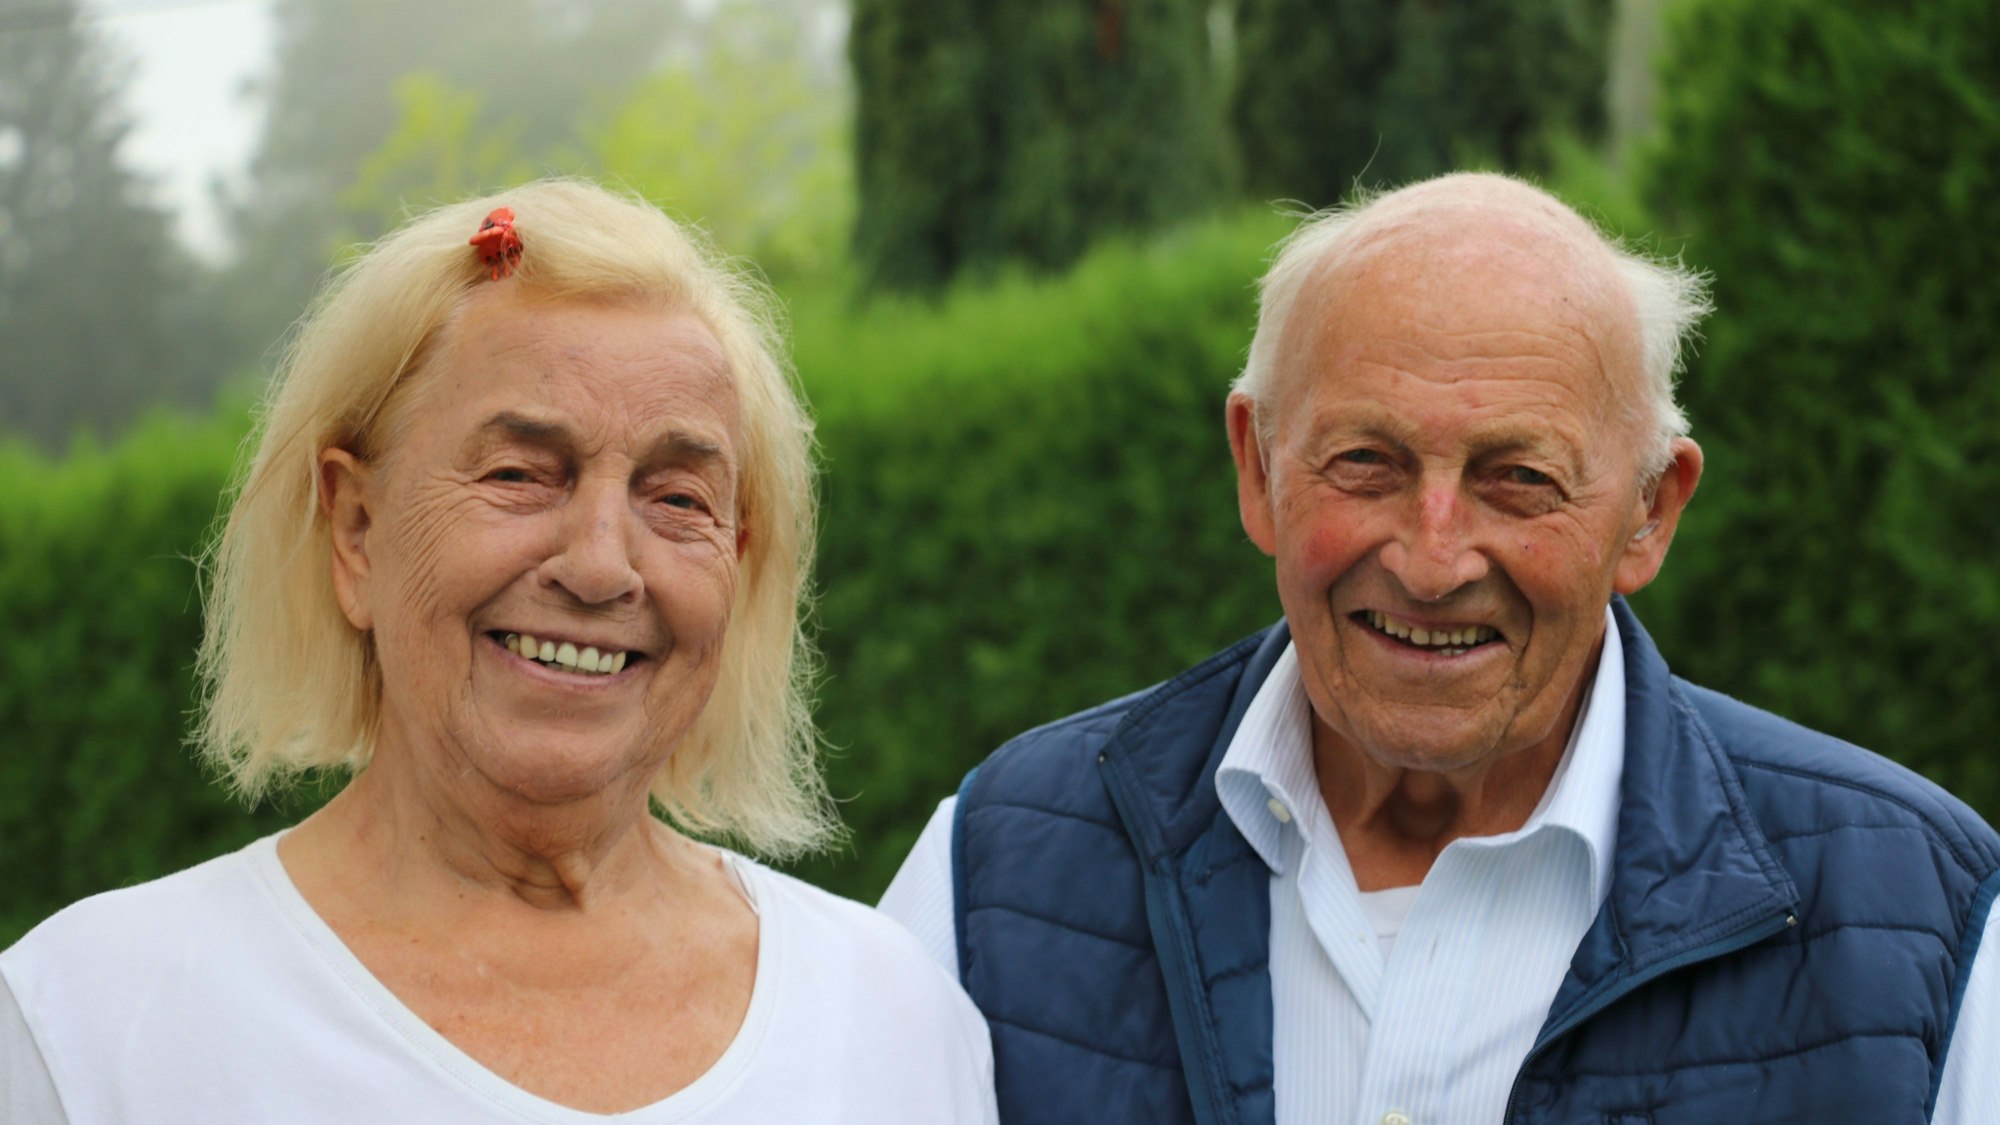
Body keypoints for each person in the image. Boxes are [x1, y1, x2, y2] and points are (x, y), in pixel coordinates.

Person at [880, 172, 2000, 1124]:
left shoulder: (1919, 920)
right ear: (1255, 469)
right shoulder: (991, 871)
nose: (1430, 558)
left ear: (1650, 512)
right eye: (1364, 461)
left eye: (1518, 478)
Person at [2, 179, 997, 1124]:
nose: (603, 565)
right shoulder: (88, 1027)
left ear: (737, 567)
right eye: (522, 472)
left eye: (678, 499)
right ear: (354, 529)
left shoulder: (890, 1014)